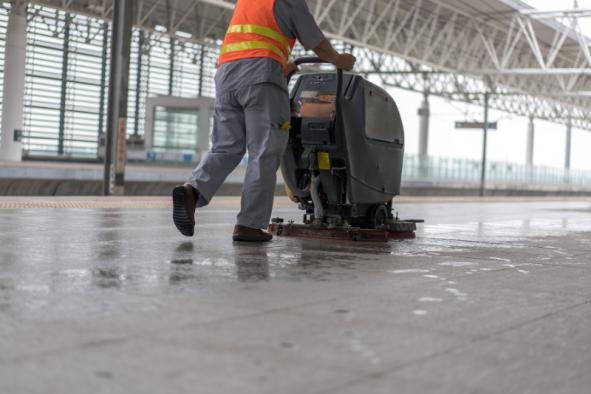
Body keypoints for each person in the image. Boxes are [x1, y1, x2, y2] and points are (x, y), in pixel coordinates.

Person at [172, 0, 356, 242]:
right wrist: (336, 59)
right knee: (264, 151)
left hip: (226, 77)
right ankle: (248, 224)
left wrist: (282, 64)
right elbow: (315, 40)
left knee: (225, 148)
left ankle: (192, 192)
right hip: (261, 79)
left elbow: (253, 43)